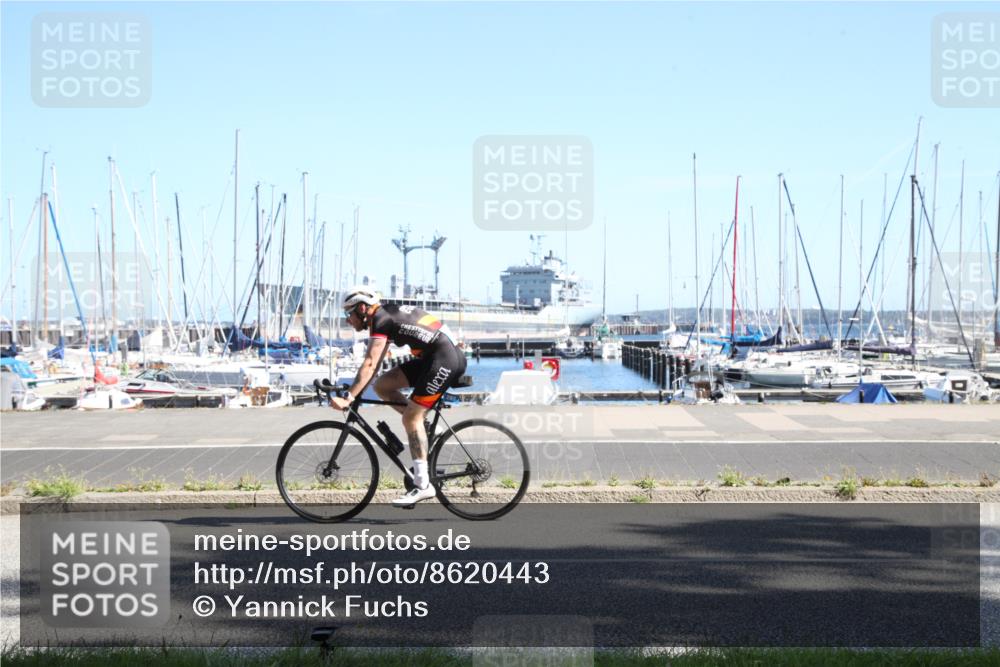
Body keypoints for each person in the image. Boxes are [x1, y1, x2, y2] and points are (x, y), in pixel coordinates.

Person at [329, 286, 467, 506]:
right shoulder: (387, 315)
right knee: (383, 386)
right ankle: (425, 427)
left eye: (348, 313)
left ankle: (422, 485)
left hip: (443, 359)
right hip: (436, 356)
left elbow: (371, 362)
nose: (348, 320)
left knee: (410, 417)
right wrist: (355, 392)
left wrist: (348, 396)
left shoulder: (381, 320)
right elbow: (374, 368)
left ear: (362, 308)